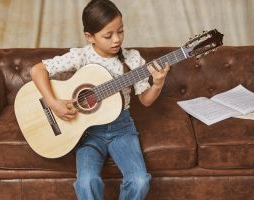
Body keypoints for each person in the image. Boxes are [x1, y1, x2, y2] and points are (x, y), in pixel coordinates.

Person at [30, 0, 170, 199]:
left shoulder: (132, 60)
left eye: (120, 31)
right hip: (87, 132)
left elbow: (146, 101)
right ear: (90, 37)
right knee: (87, 182)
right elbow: (37, 70)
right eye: (108, 35)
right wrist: (53, 103)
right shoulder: (81, 56)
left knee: (140, 181)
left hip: (122, 128)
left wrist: (157, 83)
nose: (116, 40)